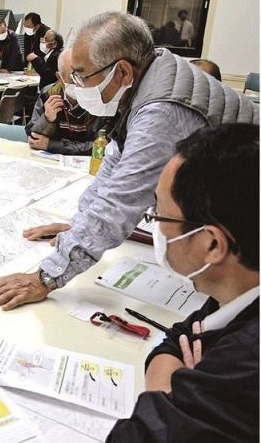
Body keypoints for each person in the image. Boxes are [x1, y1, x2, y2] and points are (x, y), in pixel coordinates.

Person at [0, 11, 258, 311]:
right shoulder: (150, 72)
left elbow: (120, 201)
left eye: (82, 75)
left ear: (122, 71)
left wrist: (46, 277)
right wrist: (78, 227)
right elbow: (114, 166)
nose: (76, 85)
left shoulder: (161, 111)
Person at [108, 124, 259, 442]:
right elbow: (177, 340)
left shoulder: (243, 368)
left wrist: (176, 401)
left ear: (213, 245)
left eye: (160, 215)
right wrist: (180, 392)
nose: (156, 228)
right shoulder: (238, 287)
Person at [25, 49, 114, 155]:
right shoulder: (49, 94)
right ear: (59, 77)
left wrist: (53, 145)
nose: (80, 84)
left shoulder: (102, 98)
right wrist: (47, 120)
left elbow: (102, 146)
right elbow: (34, 139)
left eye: (85, 77)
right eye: (73, 79)